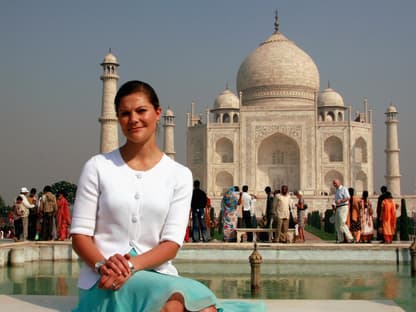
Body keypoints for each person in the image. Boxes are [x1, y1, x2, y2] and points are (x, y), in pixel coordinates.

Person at [70, 80, 264, 312]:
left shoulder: (178, 175)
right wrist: (104, 265)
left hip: (157, 275)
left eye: (141, 110)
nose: (133, 119)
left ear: (158, 113)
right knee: (181, 306)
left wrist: (130, 266)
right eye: (125, 113)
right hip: (102, 279)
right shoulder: (98, 167)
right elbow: (80, 236)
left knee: (201, 307)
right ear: (117, 118)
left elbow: (171, 244)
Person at [332, 179, 354, 243]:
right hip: (338, 208)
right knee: (337, 224)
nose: (334, 185)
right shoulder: (337, 191)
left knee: (342, 223)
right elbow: (336, 200)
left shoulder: (344, 189)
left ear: (339, 183)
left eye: (335, 183)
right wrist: (334, 204)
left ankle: (350, 238)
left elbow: (348, 197)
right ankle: (341, 239)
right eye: (334, 183)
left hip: (343, 207)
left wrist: (341, 201)